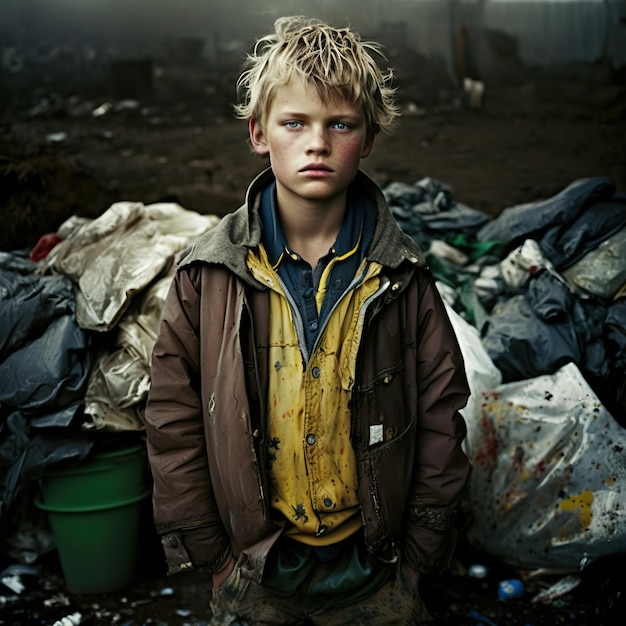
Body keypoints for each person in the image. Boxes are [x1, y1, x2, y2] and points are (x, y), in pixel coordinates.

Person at [145, 15, 471, 625]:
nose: (316, 143)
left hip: (375, 574)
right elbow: (172, 416)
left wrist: (418, 562)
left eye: (339, 124)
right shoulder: (207, 276)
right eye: (294, 122)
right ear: (259, 132)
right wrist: (214, 558)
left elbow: (440, 418)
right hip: (254, 572)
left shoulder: (402, 278)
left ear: (367, 138)